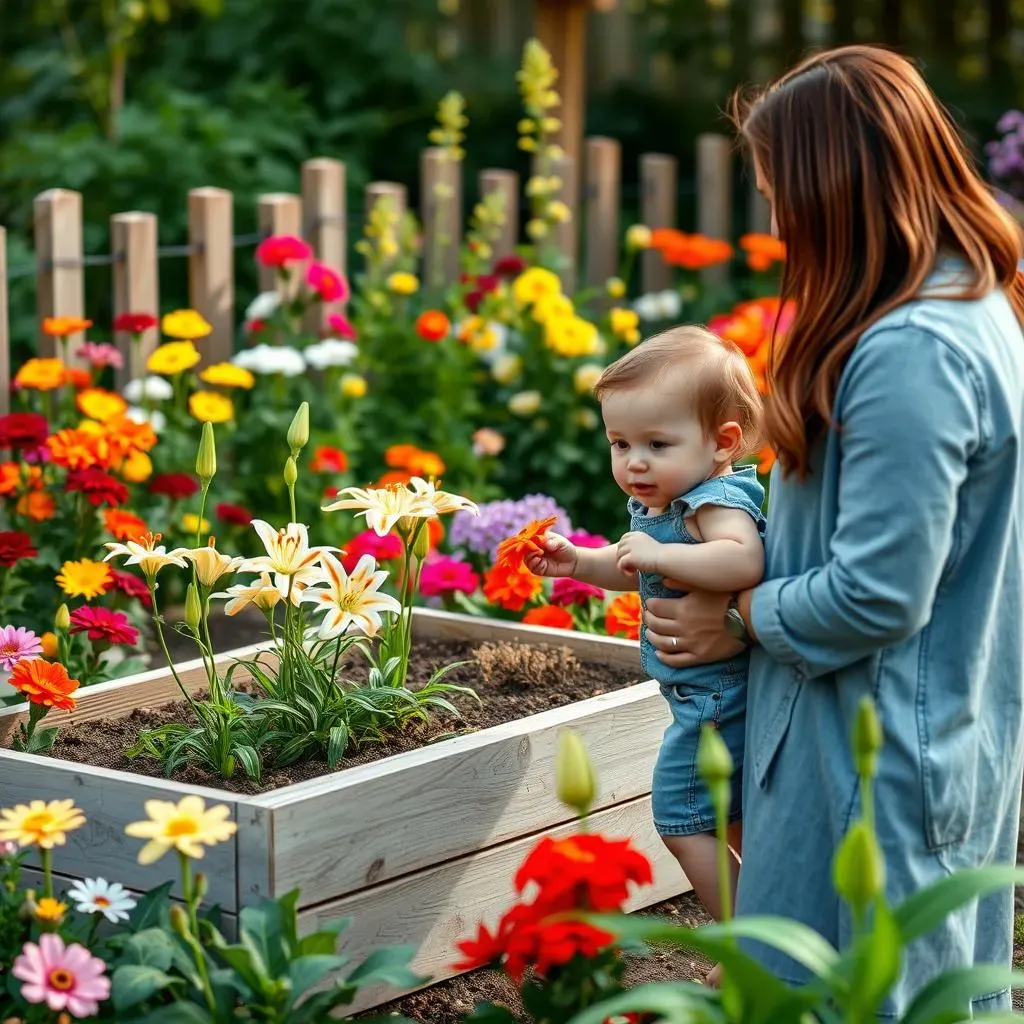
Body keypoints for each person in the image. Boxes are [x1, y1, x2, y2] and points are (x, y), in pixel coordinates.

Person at [641, 45, 1024, 1014]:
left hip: (879, 748)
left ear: (834, 191)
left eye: (779, 192)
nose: (773, 222)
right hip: (907, 732)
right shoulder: (957, 307)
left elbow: (878, 591)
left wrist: (735, 618)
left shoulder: (912, 351)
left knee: (858, 996)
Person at [525, 326, 766, 928]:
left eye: (657, 443)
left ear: (722, 441)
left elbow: (743, 560)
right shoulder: (669, 501)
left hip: (717, 696)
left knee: (683, 818)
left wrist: (659, 557)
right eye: (619, 442)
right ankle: (775, 922)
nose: (634, 461)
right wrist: (578, 562)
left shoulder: (716, 502)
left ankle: (745, 945)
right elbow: (630, 561)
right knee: (729, 819)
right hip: (704, 694)